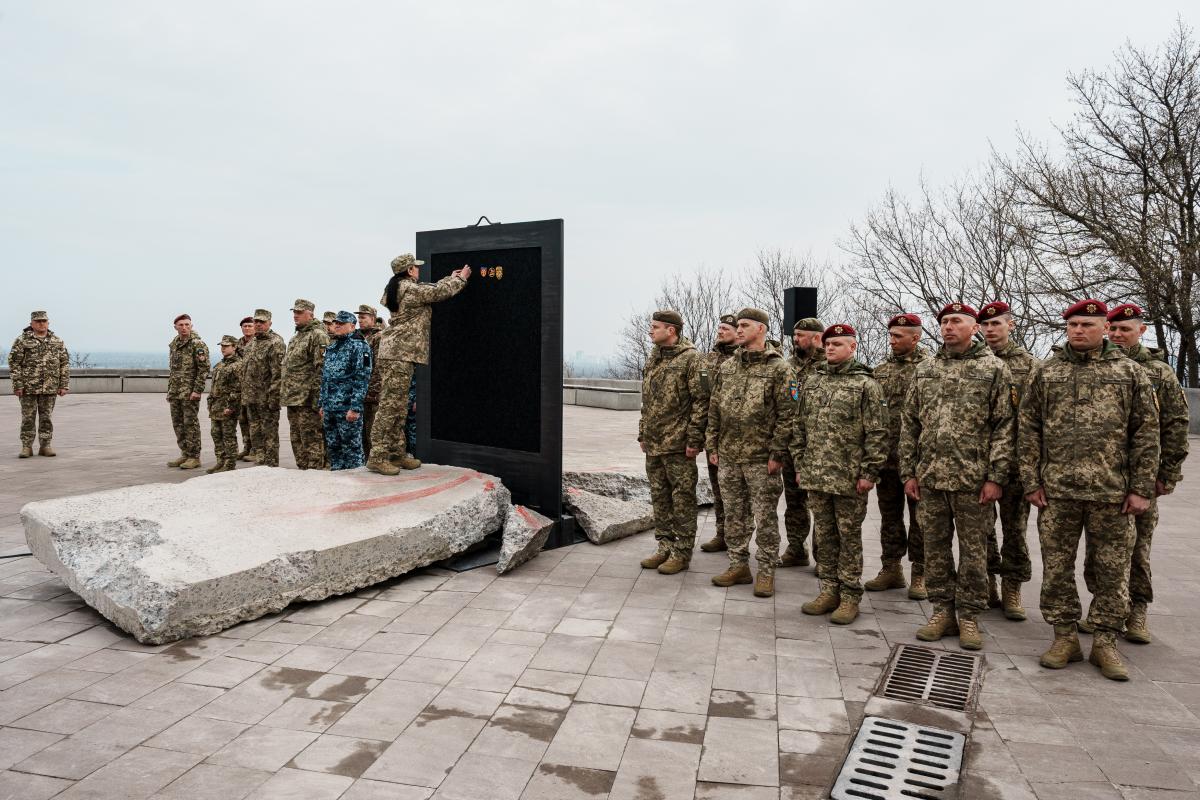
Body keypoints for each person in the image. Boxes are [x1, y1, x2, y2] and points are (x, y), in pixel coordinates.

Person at [1021, 299, 1159, 681]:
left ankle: (1105, 641)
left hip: (1112, 493)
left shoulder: (1129, 373)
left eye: (1087, 324)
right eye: (1072, 325)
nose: (1078, 331)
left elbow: (1146, 434)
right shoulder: (1046, 373)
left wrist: (1141, 488)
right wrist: (1031, 481)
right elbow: (1028, 429)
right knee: (1057, 569)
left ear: (1103, 328)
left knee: (1112, 571)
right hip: (1058, 491)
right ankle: (1064, 636)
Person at [899, 302, 1015, 651]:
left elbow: (1005, 427)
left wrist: (996, 476)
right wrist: (909, 471)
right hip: (931, 478)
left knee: (974, 552)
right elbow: (910, 423)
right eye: (944, 321)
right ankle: (941, 611)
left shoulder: (994, 369)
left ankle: (969, 615)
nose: (948, 327)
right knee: (934, 549)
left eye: (957, 321)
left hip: (973, 481)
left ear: (975, 327)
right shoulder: (926, 368)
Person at [1075, 303, 1188, 645]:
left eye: (1126, 329)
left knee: (1137, 548)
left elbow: (1175, 425)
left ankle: (1137, 609)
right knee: (1101, 551)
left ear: (1142, 331)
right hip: (1104, 479)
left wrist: (1165, 475)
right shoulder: (1096, 366)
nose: (1118, 334)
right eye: (1114, 329)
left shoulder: (1158, 373)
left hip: (1141, 479)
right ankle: (1103, 608)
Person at [794, 324, 888, 625]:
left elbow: (877, 433)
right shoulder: (814, 380)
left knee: (849, 539)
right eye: (828, 343)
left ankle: (849, 596)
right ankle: (829, 590)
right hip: (816, 475)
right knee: (824, 535)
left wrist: (869, 472)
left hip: (848, 478)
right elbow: (800, 427)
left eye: (838, 344)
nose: (831, 348)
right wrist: (800, 464)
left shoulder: (865, 384)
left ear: (853, 347)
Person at [706, 307, 795, 598]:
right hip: (730, 455)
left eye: (745, 325)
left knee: (765, 516)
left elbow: (788, 414)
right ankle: (738, 565)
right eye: (738, 325)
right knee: (735, 514)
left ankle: (766, 570)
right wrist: (713, 444)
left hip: (761, 458)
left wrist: (777, 454)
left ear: (761, 329)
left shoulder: (779, 368)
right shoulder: (728, 366)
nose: (739, 329)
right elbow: (715, 407)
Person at [368, 253, 471, 475]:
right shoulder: (410, 290)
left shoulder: (399, 288)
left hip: (398, 353)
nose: (418, 269)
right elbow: (438, 292)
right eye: (415, 267)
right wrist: (460, 278)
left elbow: (429, 289)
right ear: (409, 270)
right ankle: (377, 456)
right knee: (389, 407)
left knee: (399, 406)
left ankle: (396, 453)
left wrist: (447, 277)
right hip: (399, 354)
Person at [977, 301, 1038, 621]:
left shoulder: (1029, 365)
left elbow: (1036, 420)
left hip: (1016, 466)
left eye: (996, 324)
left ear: (1010, 326)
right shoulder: (973, 363)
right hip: (979, 464)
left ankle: (1012, 588)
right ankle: (987, 582)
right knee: (982, 530)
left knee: (1015, 530)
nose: (990, 330)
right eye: (985, 325)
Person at [638, 310, 710, 575]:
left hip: (679, 444)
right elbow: (647, 401)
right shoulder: (654, 358)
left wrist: (694, 439)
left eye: (655, 327)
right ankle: (664, 545)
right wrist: (643, 433)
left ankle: (682, 551)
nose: (650, 331)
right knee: (660, 497)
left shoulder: (693, 359)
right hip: (655, 443)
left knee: (682, 498)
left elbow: (702, 402)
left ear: (671, 331)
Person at [866, 313, 930, 598]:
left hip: (918, 461)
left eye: (898, 336)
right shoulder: (879, 371)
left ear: (915, 337)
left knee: (921, 520)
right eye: (890, 335)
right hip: (887, 459)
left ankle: (921, 573)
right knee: (889, 517)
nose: (891, 341)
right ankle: (891, 568)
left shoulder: (930, 369)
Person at [779, 317, 825, 569]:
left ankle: (824, 557)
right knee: (794, 501)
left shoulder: (829, 365)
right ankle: (796, 548)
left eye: (800, 335)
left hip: (819, 446)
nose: (795, 340)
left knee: (820, 504)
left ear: (817, 338)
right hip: (791, 444)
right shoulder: (788, 366)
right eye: (794, 335)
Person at [699, 314, 738, 553]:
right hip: (714, 436)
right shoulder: (711, 358)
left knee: (736, 493)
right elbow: (704, 396)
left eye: (726, 328)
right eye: (719, 327)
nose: (720, 331)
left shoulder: (743, 359)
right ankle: (721, 533)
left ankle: (736, 538)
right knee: (718, 489)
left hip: (736, 438)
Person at [8, 310, 70, 458]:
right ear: (31, 324)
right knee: (28, 418)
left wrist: (63, 384)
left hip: (49, 386)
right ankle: (26, 447)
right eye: (38, 321)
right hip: (28, 387)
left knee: (46, 418)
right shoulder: (22, 340)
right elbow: (14, 363)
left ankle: (45, 445)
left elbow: (64, 363)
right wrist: (18, 385)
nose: (41, 324)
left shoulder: (57, 341)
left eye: (44, 321)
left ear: (48, 323)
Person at [281, 299, 329, 470]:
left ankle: (315, 473)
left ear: (311, 314)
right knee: (296, 438)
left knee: (311, 438)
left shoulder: (318, 335)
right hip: (293, 398)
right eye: (294, 312)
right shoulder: (296, 337)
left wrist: (318, 400)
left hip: (307, 399)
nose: (295, 316)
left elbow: (321, 369)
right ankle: (302, 472)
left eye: (300, 313)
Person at [321, 311, 373, 470]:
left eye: (341, 323)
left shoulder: (359, 346)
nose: (336, 325)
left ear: (352, 326)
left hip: (347, 409)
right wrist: (322, 404)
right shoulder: (333, 346)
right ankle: (338, 481)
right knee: (333, 447)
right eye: (335, 323)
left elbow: (362, 378)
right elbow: (325, 377)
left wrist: (355, 408)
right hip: (330, 408)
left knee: (352, 449)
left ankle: (357, 485)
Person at [165, 314, 209, 470]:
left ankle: (194, 456)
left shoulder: (197, 344)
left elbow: (203, 369)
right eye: (181, 325)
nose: (184, 327)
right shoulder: (174, 344)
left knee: (190, 424)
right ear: (175, 327)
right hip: (176, 392)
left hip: (190, 392)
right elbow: (174, 370)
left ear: (191, 325)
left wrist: (197, 390)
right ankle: (184, 453)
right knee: (178, 424)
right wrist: (170, 390)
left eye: (187, 324)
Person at [243, 308, 286, 467]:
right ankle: (260, 463)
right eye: (256, 322)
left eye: (262, 322)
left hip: (266, 398)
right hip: (251, 397)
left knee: (269, 434)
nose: (259, 325)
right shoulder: (251, 343)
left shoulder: (275, 342)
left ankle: (271, 464)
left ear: (270, 323)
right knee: (255, 432)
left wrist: (273, 398)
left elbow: (278, 373)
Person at [207, 335, 242, 474]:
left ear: (234, 347)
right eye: (222, 346)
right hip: (216, 406)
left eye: (226, 346)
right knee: (216, 434)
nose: (223, 349)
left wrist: (231, 406)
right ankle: (220, 461)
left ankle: (230, 463)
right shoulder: (219, 365)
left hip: (227, 406)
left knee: (228, 435)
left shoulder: (238, 365)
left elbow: (238, 389)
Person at [356, 304, 384, 459]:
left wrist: (371, 391)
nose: (360, 320)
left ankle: (376, 461)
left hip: (373, 395)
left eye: (363, 317)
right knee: (361, 435)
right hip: (359, 395)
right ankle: (365, 463)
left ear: (372, 319)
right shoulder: (358, 338)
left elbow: (378, 368)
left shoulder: (379, 337)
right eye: (359, 317)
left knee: (372, 432)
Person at [235, 316, 255, 461]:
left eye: (250, 326)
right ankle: (247, 447)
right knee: (242, 420)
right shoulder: (237, 344)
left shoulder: (258, 343)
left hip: (254, 388)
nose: (247, 328)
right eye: (245, 326)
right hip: (240, 388)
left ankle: (256, 449)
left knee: (253, 420)